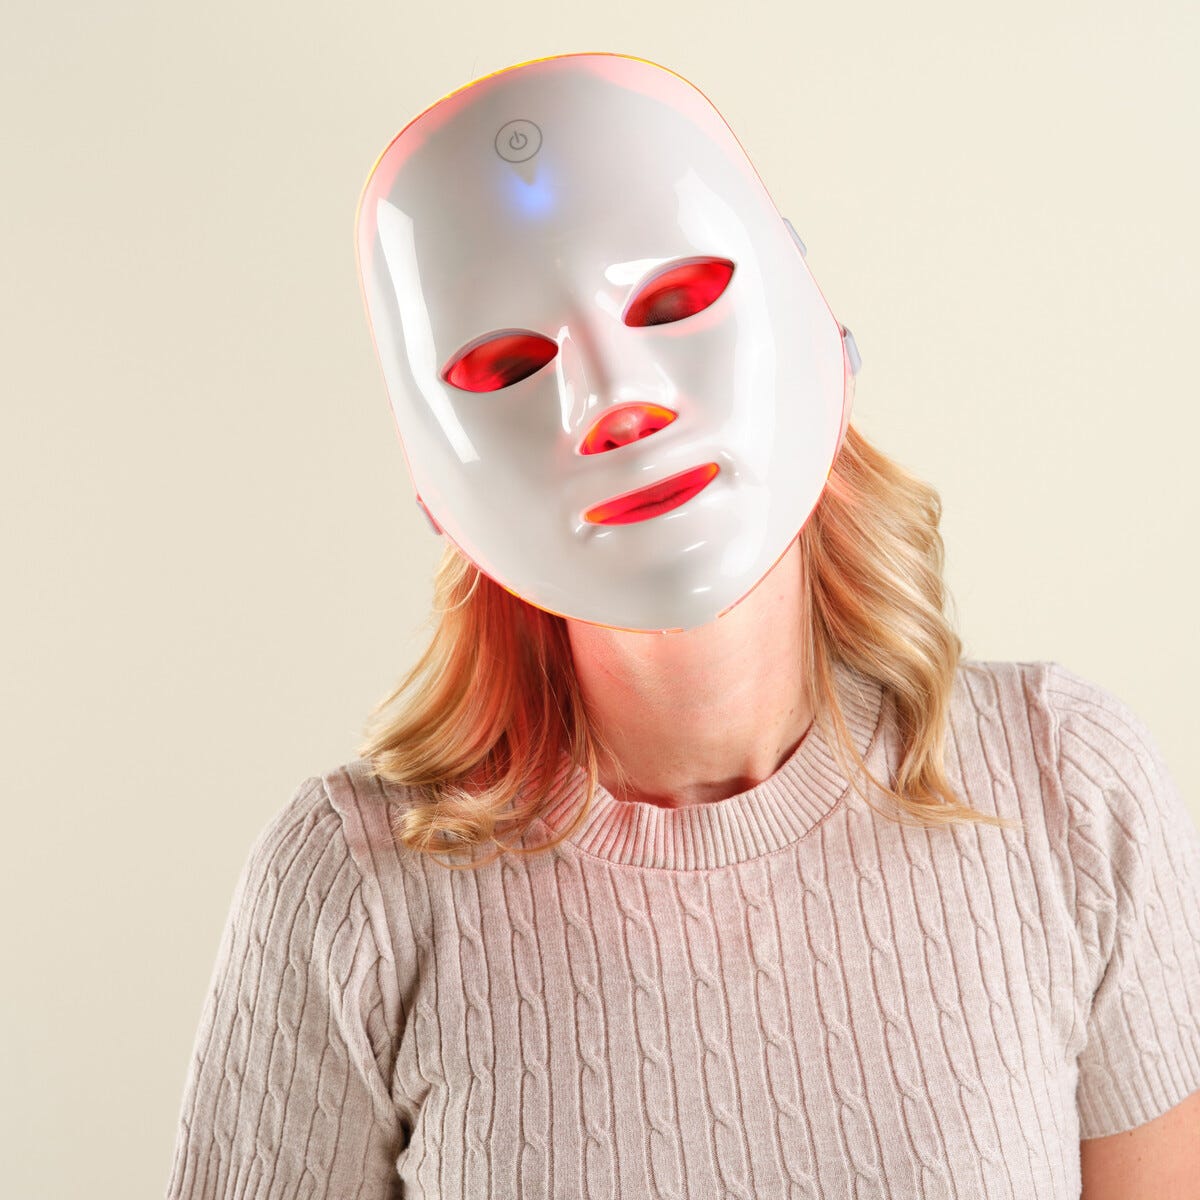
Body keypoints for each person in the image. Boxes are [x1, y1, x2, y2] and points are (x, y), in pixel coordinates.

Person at [165, 53, 1200, 1200]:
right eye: (509, 366)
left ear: (822, 341)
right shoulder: (354, 888)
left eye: (673, 304)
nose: (617, 404)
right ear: (435, 484)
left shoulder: (1065, 789)